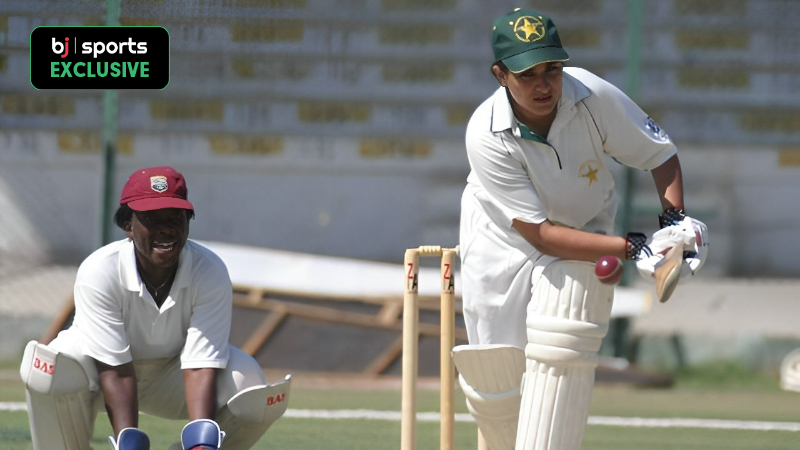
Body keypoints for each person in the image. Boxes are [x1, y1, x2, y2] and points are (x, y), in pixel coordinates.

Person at [451, 8, 709, 450]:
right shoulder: (485, 134)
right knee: (497, 373)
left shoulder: (591, 96)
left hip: (586, 220)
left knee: (566, 338)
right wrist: (635, 248)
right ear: (499, 74)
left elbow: (658, 154)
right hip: (502, 238)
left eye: (551, 68)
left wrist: (674, 223)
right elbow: (541, 235)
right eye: (527, 73)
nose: (543, 84)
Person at [20, 166, 290, 450]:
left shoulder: (210, 270)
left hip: (171, 376)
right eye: (151, 217)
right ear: (128, 225)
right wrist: (129, 441)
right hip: (99, 374)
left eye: (176, 217)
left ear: (188, 221)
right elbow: (116, 370)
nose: (166, 228)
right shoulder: (100, 270)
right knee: (46, 369)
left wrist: (201, 443)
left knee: (252, 388)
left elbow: (200, 366)